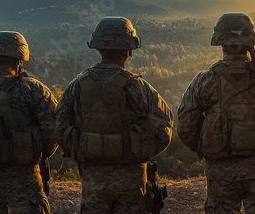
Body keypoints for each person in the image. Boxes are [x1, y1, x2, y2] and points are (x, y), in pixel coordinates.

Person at [175, 12, 255, 213]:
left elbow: (185, 127)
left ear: (221, 42)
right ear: (251, 41)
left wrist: (209, 144)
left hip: (220, 170)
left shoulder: (204, 81)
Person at [53, 16, 173, 213]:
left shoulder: (77, 86)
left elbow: (59, 127)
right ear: (127, 50)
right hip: (133, 180)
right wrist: (140, 151)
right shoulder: (138, 87)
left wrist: (83, 149)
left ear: (99, 48)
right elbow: (163, 128)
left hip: (93, 179)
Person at [0, 31, 57, 213]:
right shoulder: (32, 88)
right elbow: (53, 130)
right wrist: (37, 153)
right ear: (19, 59)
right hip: (26, 178)